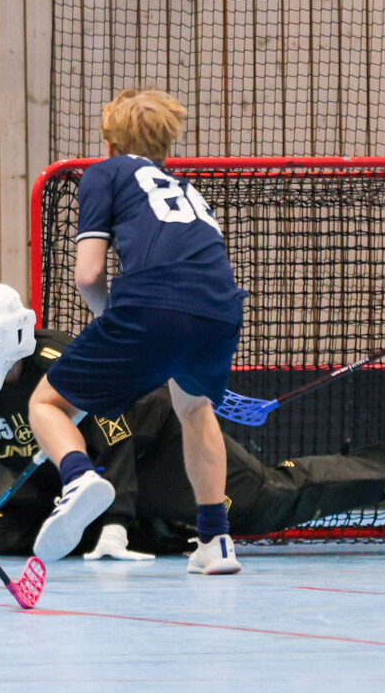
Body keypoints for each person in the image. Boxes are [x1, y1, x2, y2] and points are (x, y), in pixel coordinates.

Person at [0, 282, 385, 561]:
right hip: (64, 480)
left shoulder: (62, 366)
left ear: (14, 338)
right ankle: (159, 532)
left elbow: (114, 440)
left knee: (266, 503)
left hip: (156, 445)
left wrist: (115, 523)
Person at [26, 89, 248, 574]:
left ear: (109, 143)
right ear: (167, 144)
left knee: (47, 403)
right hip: (221, 312)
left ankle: (78, 477)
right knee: (194, 408)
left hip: (152, 304)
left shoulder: (104, 173)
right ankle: (216, 541)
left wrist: (116, 322)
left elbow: (88, 275)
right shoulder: (187, 189)